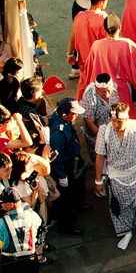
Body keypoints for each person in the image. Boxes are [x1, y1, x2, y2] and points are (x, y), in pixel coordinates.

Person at [94, 103, 136, 251]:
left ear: (127, 118)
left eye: (119, 121)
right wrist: (98, 180)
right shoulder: (104, 131)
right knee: (121, 208)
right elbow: (100, 157)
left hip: (135, 173)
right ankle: (126, 231)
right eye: (113, 121)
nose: (116, 124)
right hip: (115, 177)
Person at [82, 13, 136, 120]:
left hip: (102, 90)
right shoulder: (127, 44)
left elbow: (89, 69)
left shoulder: (96, 45)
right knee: (125, 118)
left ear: (104, 28)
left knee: (106, 118)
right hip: (122, 90)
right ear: (119, 27)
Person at [48, 97, 89, 238]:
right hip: (66, 164)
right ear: (64, 113)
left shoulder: (63, 119)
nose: (76, 116)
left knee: (79, 186)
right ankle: (66, 227)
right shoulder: (58, 134)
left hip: (74, 157)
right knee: (68, 199)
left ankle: (79, 206)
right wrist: (62, 175)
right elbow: (56, 157)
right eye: (74, 113)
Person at [68, 0, 109, 92]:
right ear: (101, 3)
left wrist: (70, 54)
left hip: (84, 61)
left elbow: (72, 38)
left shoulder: (79, 16)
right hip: (100, 63)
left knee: (85, 86)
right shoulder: (104, 18)